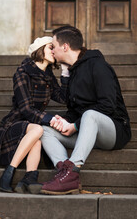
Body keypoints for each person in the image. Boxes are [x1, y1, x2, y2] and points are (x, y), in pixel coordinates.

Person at [40, 25, 131, 195]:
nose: (52, 50)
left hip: (113, 131)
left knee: (90, 115)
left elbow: (107, 106)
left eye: (54, 46)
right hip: (86, 132)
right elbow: (75, 110)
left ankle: (73, 170)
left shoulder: (98, 66)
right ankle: (64, 173)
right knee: (45, 129)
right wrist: (66, 121)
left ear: (65, 47)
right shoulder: (72, 72)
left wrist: (75, 126)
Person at [0, 36, 70, 194]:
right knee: (38, 130)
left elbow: (63, 98)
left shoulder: (48, 75)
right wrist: (50, 119)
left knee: (37, 133)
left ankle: (28, 179)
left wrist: (65, 70)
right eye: (51, 47)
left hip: (33, 126)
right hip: (15, 125)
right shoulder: (22, 73)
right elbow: (26, 110)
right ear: (39, 50)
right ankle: (8, 173)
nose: (54, 51)